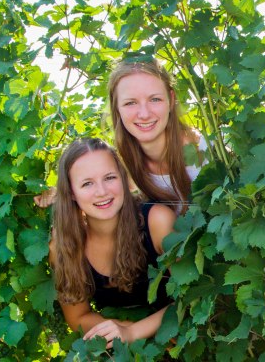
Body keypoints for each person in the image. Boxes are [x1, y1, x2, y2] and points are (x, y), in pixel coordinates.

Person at [49, 138, 176, 346]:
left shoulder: (157, 222)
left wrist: (133, 332)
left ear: (123, 179)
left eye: (109, 178)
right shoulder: (64, 246)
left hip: (182, 338)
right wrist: (120, 331)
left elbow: (191, 298)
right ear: (71, 192)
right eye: (87, 183)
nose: (102, 191)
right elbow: (78, 318)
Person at [108, 59, 206, 212]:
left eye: (155, 99)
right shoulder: (117, 170)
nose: (144, 114)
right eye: (130, 103)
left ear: (171, 100)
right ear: (117, 108)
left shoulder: (208, 151)